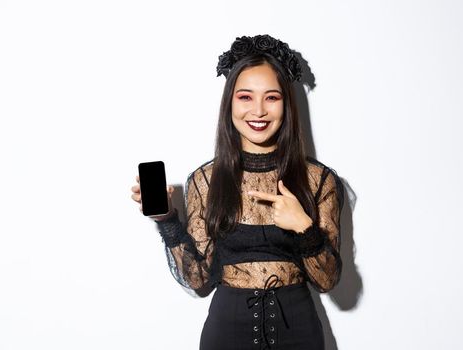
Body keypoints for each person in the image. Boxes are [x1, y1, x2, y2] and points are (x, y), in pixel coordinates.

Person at [129, 34, 344, 349]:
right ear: (229, 102)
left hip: (299, 334)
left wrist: (303, 226)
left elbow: (327, 281)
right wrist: (168, 219)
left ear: (287, 104)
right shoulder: (205, 180)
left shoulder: (318, 180)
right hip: (226, 334)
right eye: (245, 97)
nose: (258, 110)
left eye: (272, 97)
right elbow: (199, 280)